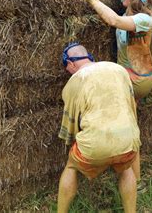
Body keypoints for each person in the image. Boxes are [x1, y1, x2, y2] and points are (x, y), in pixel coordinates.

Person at [57, 43, 140, 213]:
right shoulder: (119, 70)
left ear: (71, 64)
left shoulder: (76, 80)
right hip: (128, 140)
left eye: (67, 69)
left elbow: (70, 125)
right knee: (126, 168)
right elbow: (132, 108)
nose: (68, 73)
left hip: (94, 147)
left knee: (71, 166)